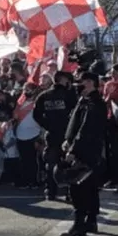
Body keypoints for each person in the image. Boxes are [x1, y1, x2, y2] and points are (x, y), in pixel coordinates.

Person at [60, 72, 106, 236]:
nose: (80, 85)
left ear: (92, 83)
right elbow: (74, 123)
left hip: (86, 152)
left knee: (78, 188)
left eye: (84, 82)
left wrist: (73, 149)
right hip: (83, 149)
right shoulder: (83, 101)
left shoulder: (95, 103)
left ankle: (80, 224)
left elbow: (86, 129)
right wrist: (67, 139)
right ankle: (91, 221)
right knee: (90, 188)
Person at [33, 71, 78, 201]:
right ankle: (70, 192)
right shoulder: (69, 95)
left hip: (52, 134)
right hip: (67, 134)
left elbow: (37, 115)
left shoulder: (43, 95)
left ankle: (50, 191)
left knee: (51, 164)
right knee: (69, 163)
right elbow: (76, 113)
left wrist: (47, 125)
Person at [13, 83, 42, 189]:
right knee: (24, 159)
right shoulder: (20, 103)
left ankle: (34, 181)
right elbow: (15, 116)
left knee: (33, 159)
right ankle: (25, 181)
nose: (26, 91)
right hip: (21, 133)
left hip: (34, 133)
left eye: (29, 89)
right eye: (25, 89)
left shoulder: (38, 102)